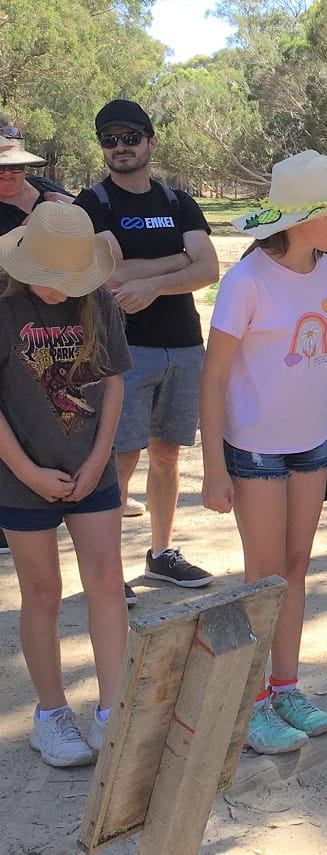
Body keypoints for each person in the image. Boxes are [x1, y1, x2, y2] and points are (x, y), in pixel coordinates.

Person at [199, 151, 327, 754]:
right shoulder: (246, 280)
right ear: (301, 218)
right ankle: (250, 704)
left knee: (297, 568)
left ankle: (285, 687)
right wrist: (215, 467)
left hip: (310, 446)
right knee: (264, 574)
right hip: (254, 450)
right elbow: (214, 377)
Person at [74, 100, 220, 604]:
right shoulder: (91, 204)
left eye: (130, 138)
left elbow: (209, 269)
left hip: (183, 344)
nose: (120, 148)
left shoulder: (178, 201)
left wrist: (153, 283)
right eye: (110, 141)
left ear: (150, 141)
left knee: (167, 453)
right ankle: (106, 569)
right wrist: (178, 258)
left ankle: (161, 553)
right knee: (121, 457)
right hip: (122, 350)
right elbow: (106, 277)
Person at [0, 202, 130, 766]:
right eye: (50, 280)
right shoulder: (4, 305)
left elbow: (114, 381)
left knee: (106, 577)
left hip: (90, 466)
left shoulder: (97, 299)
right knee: (44, 591)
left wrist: (100, 458)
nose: (59, 291)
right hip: (18, 473)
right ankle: (51, 714)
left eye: (69, 280)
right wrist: (27, 471)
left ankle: (112, 710)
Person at [0, 121, 75, 557]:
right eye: (0, 169)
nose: (9, 176)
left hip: (50, 321)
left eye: (15, 167)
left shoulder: (47, 190)